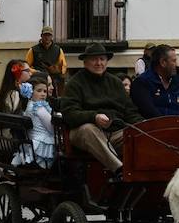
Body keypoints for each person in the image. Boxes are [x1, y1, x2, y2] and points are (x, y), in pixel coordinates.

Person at [60, 43, 143, 176]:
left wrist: (144, 127)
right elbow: (69, 114)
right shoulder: (75, 84)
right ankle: (119, 170)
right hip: (83, 133)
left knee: (138, 135)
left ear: (106, 61)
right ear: (85, 62)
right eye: (94, 59)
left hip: (114, 133)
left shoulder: (115, 82)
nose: (99, 63)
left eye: (102, 59)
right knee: (89, 129)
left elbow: (130, 111)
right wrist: (94, 117)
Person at [130, 44, 179, 119]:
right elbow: (149, 113)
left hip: (176, 129)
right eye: (174, 61)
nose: (177, 64)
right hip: (151, 129)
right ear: (163, 62)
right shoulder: (142, 83)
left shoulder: (178, 83)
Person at [11, 77, 56, 169]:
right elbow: (52, 129)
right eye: (39, 91)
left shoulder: (29, 106)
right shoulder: (39, 108)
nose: (43, 94)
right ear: (31, 92)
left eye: (44, 91)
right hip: (41, 144)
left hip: (32, 142)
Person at [25, 25, 67, 91]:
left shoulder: (58, 50)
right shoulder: (33, 50)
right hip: (38, 81)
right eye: (45, 35)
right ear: (41, 36)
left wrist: (57, 70)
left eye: (49, 35)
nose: (47, 37)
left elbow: (63, 67)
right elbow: (26, 67)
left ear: (52, 37)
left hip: (53, 81)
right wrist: (35, 72)